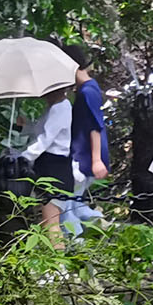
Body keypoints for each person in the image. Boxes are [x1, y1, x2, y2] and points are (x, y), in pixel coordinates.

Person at [64, 48, 110, 234]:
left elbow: (95, 126)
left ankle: (78, 244)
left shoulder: (87, 92)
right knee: (75, 205)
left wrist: (96, 159)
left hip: (84, 156)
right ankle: (103, 233)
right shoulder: (87, 88)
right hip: (83, 153)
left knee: (67, 210)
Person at [23, 82, 76, 238]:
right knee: (45, 222)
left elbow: (46, 139)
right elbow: (41, 132)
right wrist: (25, 125)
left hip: (55, 169)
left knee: (51, 222)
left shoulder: (61, 107)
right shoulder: (53, 108)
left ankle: (58, 261)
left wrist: (23, 157)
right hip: (46, 167)